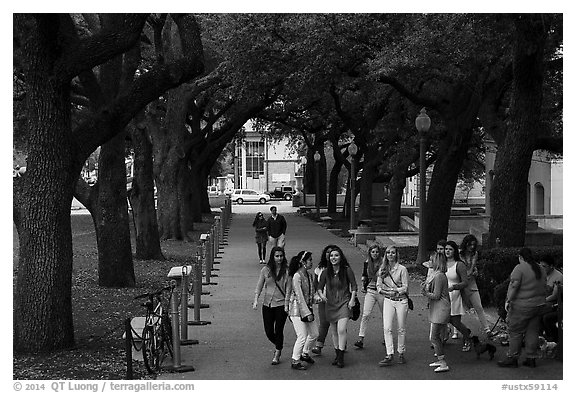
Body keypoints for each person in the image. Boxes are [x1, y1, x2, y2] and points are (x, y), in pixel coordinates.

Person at [498, 248, 547, 368]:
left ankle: (513, 358)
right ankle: (531, 358)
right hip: (539, 305)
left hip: (522, 306)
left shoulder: (519, 268)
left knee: (515, 332)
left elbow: (513, 287)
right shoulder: (541, 268)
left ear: (520, 257)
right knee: (532, 331)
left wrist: (508, 300)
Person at [316, 245, 357, 368]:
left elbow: (354, 286)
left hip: (344, 302)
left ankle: (341, 356)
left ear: (341, 257)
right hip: (330, 304)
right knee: (334, 331)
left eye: (336, 255)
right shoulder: (325, 272)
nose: (334, 258)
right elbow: (319, 287)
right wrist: (321, 296)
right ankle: (337, 354)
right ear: (329, 258)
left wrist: (352, 300)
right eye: (332, 256)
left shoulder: (347, 270)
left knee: (341, 329)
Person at [253, 246, 289, 365]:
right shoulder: (265, 270)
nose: (279, 258)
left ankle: (277, 352)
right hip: (267, 304)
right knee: (269, 331)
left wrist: (287, 304)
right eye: (277, 256)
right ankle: (279, 344)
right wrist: (255, 300)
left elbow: (289, 289)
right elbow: (260, 285)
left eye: (281, 256)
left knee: (279, 330)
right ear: (272, 257)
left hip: (281, 304)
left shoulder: (287, 271)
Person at [376, 245, 409, 366]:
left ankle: (401, 352)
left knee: (401, 328)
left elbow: (405, 287)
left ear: (396, 254)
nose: (390, 255)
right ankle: (389, 353)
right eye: (388, 252)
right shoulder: (382, 269)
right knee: (387, 328)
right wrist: (385, 292)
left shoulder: (402, 269)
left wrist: (396, 290)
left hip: (401, 300)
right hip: (388, 299)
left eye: (393, 253)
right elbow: (378, 286)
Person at [285, 251, 318, 370]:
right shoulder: (297, 276)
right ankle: (295, 359)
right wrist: (307, 313)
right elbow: (299, 296)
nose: (311, 262)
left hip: (307, 308)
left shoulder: (309, 276)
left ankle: (305, 353)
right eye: (309, 260)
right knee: (302, 336)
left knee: (314, 334)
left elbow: (311, 293)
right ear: (303, 262)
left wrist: (317, 299)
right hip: (296, 310)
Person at [460, 234, 494, 337]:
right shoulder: (459, 255)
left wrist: (474, 268)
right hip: (461, 285)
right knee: (458, 308)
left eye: (473, 245)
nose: (471, 247)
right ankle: (456, 331)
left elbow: (473, 270)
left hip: (471, 284)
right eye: (469, 245)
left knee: (479, 307)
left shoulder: (474, 255)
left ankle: (487, 329)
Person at [421, 252, 451, 373]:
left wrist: (425, 293)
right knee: (437, 336)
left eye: (432, 260)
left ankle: (443, 362)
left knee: (433, 337)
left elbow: (437, 295)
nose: (430, 262)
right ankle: (440, 359)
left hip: (440, 309)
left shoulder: (439, 276)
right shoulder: (439, 275)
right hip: (439, 308)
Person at [354, 243, 385, 349]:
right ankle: (361, 338)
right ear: (370, 253)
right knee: (366, 314)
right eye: (373, 252)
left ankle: (386, 337)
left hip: (382, 292)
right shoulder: (367, 263)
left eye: (376, 252)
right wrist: (363, 284)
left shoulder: (383, 263)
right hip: (370, 291)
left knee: (385, 315)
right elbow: (364, 275)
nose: (375, 254)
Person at [445, 240, 473, 352]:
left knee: (455, 321)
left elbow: (465, 282)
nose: (447, 251)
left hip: (455, 295)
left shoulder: (459, 265)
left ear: (454, 251)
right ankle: (441, 338)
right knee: (444, 318)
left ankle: (467, 336)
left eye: (450, 249)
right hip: (443, 295)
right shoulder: (442, 263)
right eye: (446, 249)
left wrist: (454, 287)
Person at [311, 244, 337, 355]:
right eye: (327, 252)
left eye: (332, 253)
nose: (329, 255)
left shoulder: (340, 268)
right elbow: (315, 285)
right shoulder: (319, 269)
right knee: (324, 322)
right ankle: (319, 345)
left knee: (337, 323)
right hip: (323, 299)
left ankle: (341, 344)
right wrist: (316, 295)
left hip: (337, 299)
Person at [539, 255, 563, 343]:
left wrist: (541, 301)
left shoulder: (559, 277)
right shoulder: (541, 274)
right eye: (540, 266)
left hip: (554, 303)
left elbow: (554, 296)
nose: (541, 268)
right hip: (542, 300)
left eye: (544, 266)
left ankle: (551, 339)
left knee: (540, 313)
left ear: (551, 266)